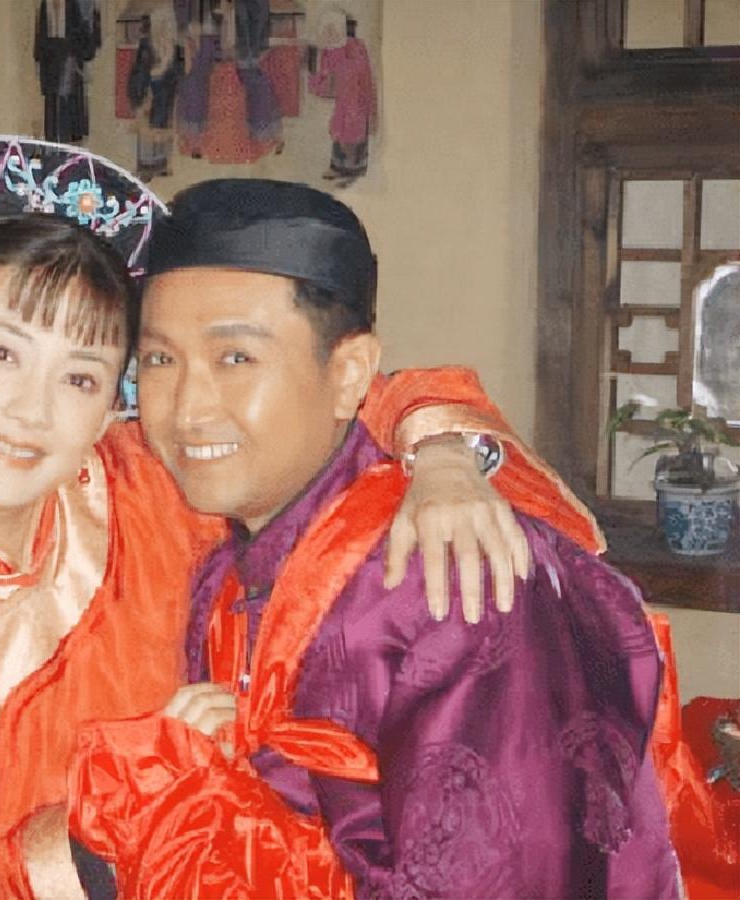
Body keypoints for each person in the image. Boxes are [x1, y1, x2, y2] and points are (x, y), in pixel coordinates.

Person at [0, 139, 594, 898]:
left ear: (111, 406)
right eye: (1, 353)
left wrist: (442, 451)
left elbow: (315, 402)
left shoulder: (141, 490)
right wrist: (117, 818)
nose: (30, 412)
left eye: (80, 377)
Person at [70, 178, 683, 899]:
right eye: (159, 360)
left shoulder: (450, 574)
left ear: (350, 374)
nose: (187, 408)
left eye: (236, 358)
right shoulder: (223, 570)